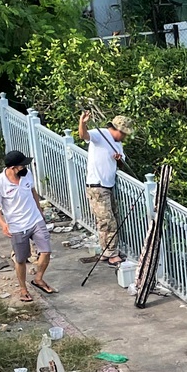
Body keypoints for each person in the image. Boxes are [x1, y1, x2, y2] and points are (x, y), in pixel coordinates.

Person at [0, 150, 55, 302]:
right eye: (21, 165)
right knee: (21, 259)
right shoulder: (0, 183)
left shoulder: (27, 174)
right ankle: (23, 288)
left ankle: (38, 279)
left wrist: (40, 211)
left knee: (46, 250)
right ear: (13, 168)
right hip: (17, 226)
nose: (25, 167)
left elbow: (33, 192)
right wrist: (3, 224)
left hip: (35, 219)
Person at [79, 111, 131, 267]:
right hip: (97, 185)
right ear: (117, 130)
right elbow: (84, 136)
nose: (124, 137)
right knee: (108, 221)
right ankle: (111, 253)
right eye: (124, 134)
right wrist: (83, 122)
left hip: (109, 185)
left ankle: (106, 250)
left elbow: (121, 164)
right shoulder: (100, 134)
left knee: (110, 218)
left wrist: (119, 159)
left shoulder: (118, 144)